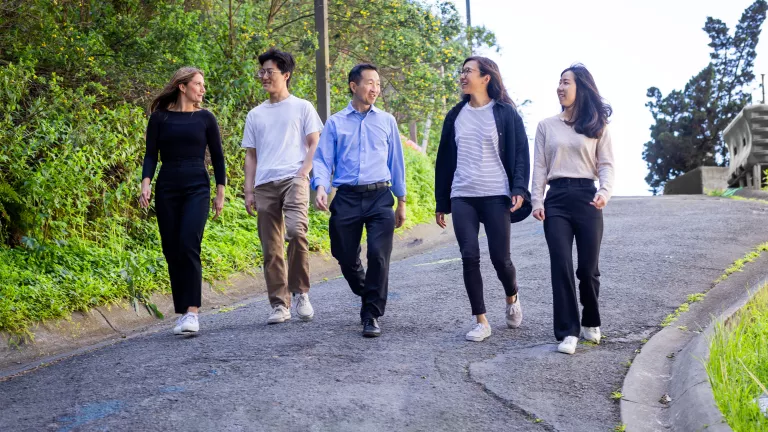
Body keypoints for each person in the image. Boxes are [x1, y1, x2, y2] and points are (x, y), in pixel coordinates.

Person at [434, 56, 531, 342]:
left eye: (469, 71)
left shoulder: (506, 113)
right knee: (469, 256)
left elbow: (521, 154)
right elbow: (444, 160)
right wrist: (442, 201)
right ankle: (481, 321)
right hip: (463, 195)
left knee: (501, 259)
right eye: (462, 71)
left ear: (486, 78)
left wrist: (519, 189)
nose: (463, 76)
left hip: (496, 195)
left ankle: (512, 297)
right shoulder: (455, 115)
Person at [312, 63, 407, 338]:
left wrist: (401, 200)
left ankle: (371, 314)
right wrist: (321, 187)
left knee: (378, 255)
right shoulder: (335, 122)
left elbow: (396, 162)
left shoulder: (387, 121)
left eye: (378, 84)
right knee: (344, 255)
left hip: (380, 197)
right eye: (370, 83)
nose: (375, 89)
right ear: (354, 86)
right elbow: (323, 159)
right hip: (347, 197)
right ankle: (368, 291)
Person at [531, 63, 615, 355]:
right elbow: (539, 166)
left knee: (588, 269)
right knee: (561, 265)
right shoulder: (546, 126)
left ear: (581, 87)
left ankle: (591, 319)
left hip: (587, 198)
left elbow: (606, 164)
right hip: (556, 200)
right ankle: (568, 331)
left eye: (566, 82)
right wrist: (537, 200)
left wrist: (604, 193)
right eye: (559, 82)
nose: (560, 87)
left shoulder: (597, 125)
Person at [139, 67, 226, 335]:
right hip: (167, 186)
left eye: (203, 84)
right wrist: (146, 183)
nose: (203, 89)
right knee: (172, 248)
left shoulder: (206, 118)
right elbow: (151, 155)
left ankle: (192, 312)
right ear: (182, 87)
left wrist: (220, 191)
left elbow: (218, 156)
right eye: (198, 84)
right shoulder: (160, 118)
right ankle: (182, 312)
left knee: (189, 242)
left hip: (197, 186)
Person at [241, 48, 323, 325]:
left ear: (286, 75)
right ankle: (279, 304)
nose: (264, 76)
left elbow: (314, 143)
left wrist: (303, 172)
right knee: (271, 247)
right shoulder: (255, 114)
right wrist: (249, 190)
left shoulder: (302, 107)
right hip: (264, 183)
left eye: (270, 72)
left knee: (296, 231)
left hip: (294, 178)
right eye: (261, 72)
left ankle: (300, 292)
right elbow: (251, 155)